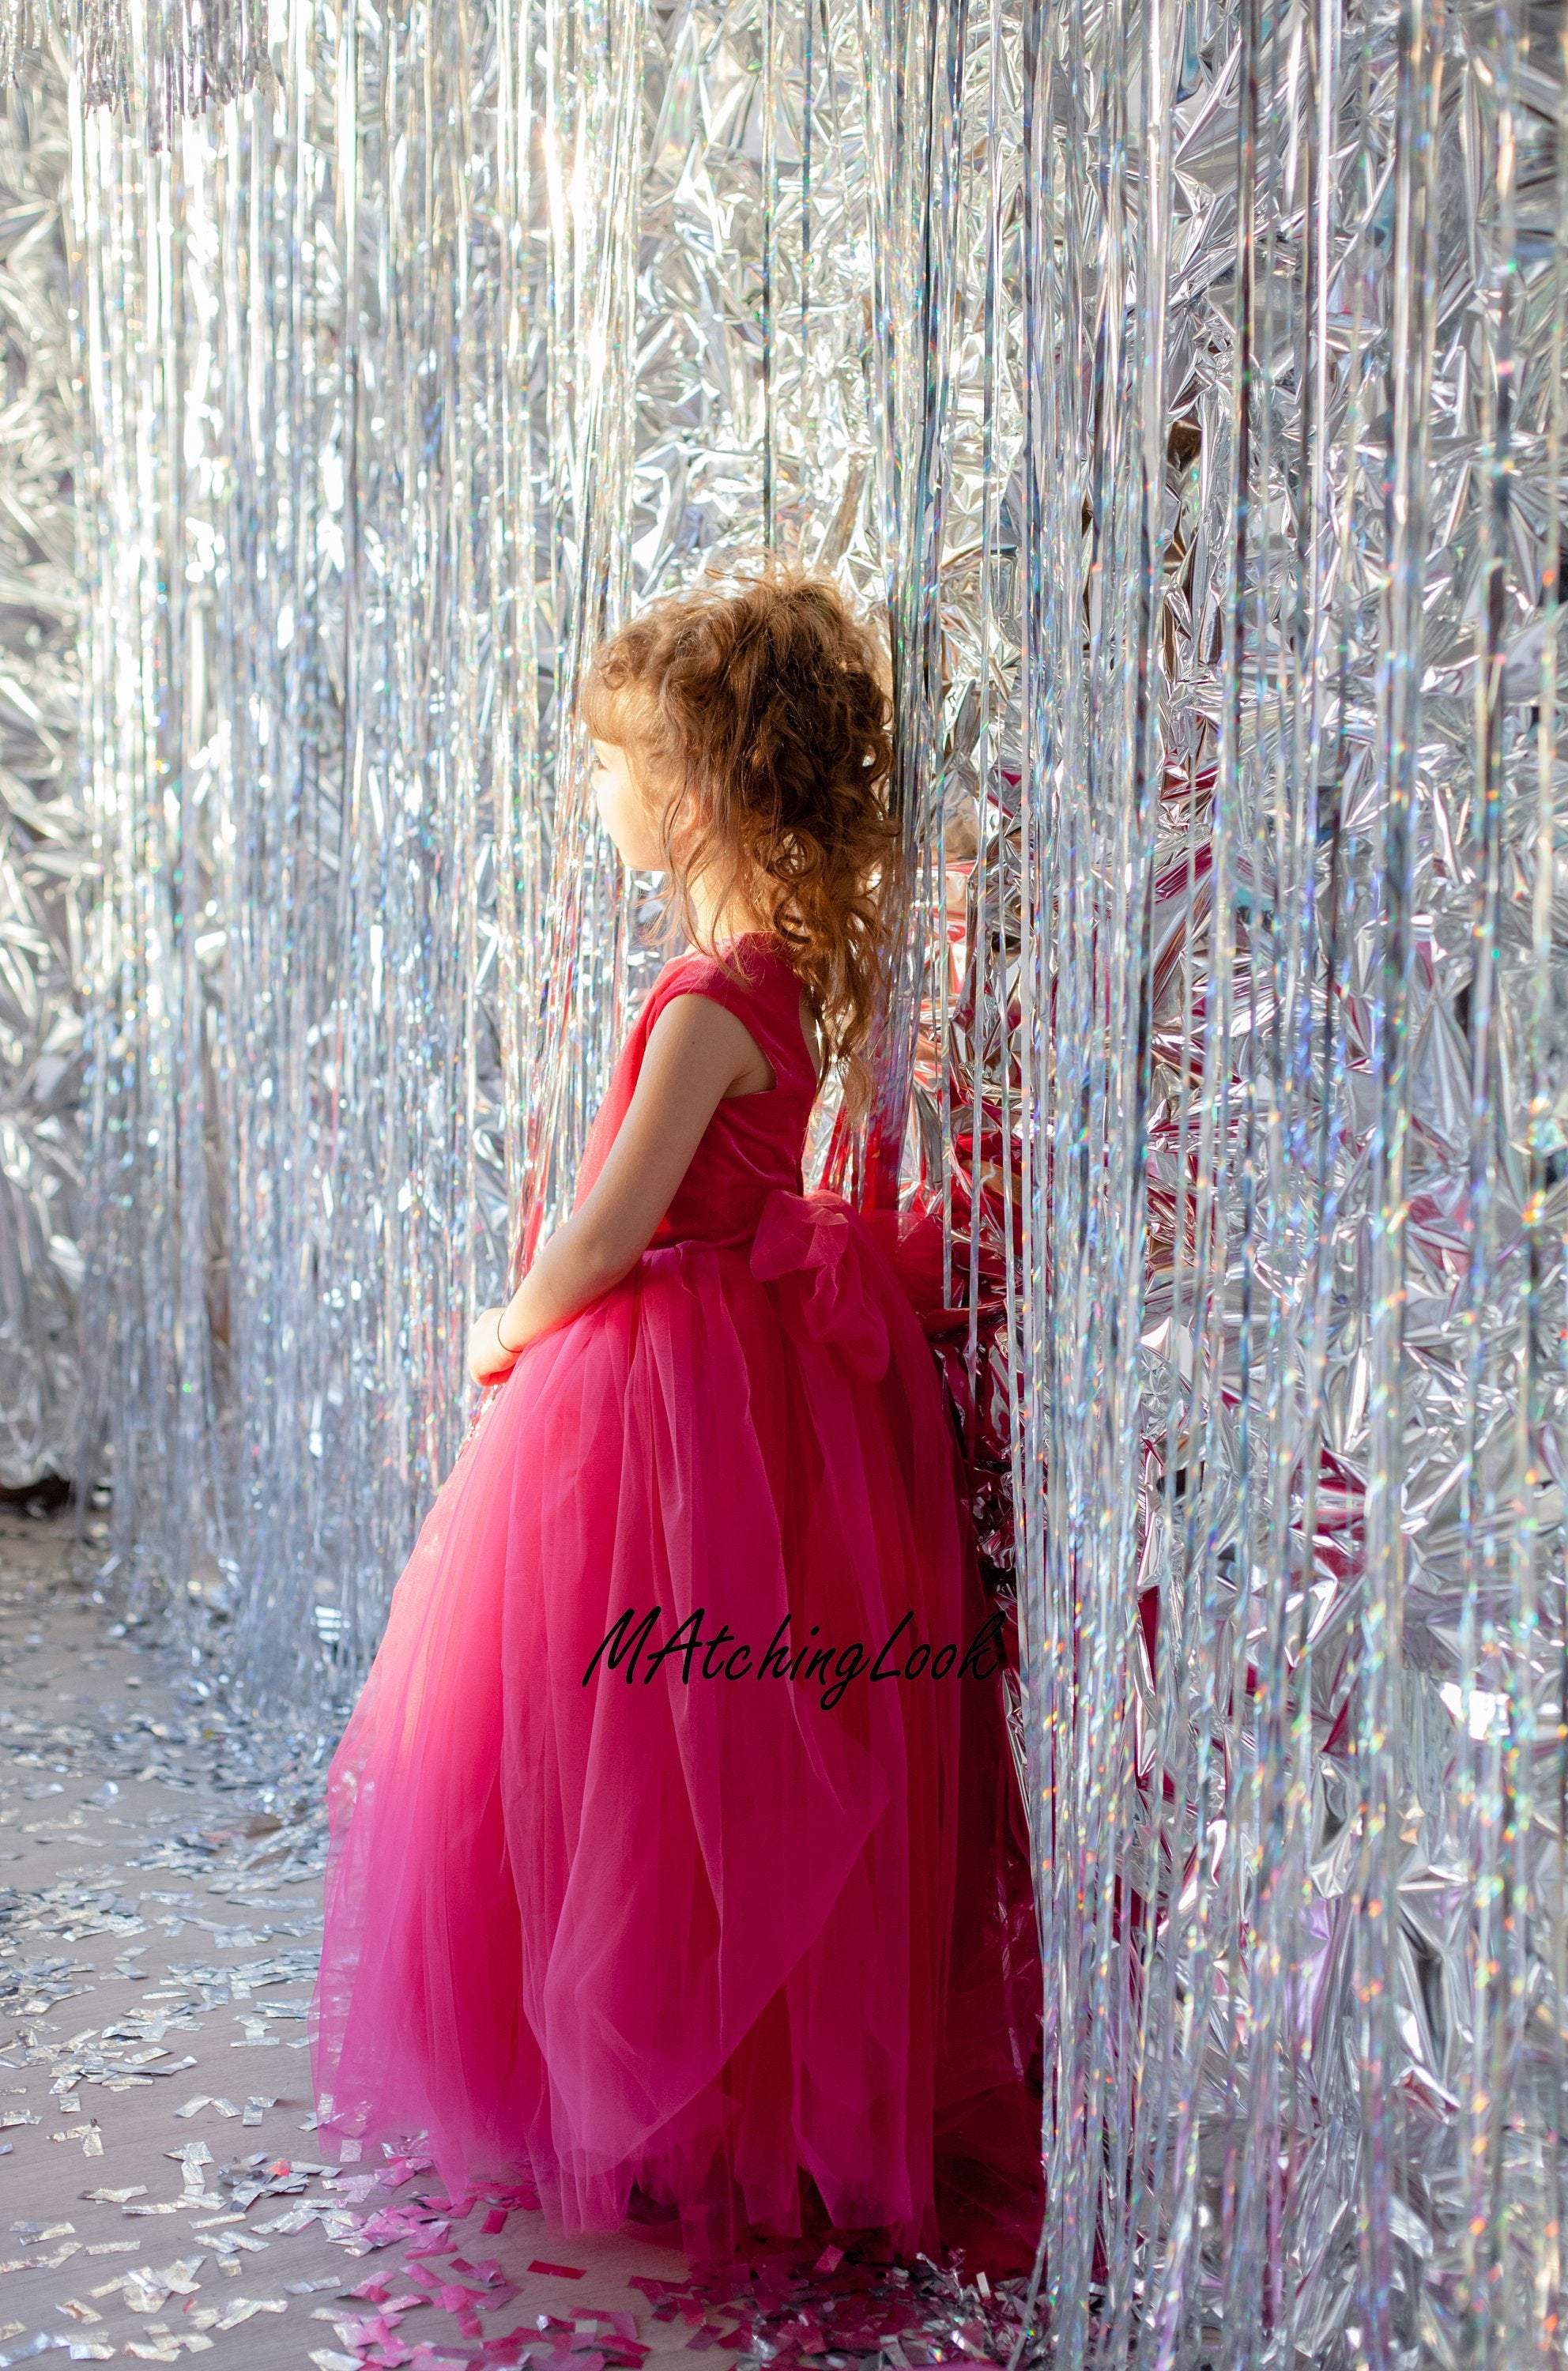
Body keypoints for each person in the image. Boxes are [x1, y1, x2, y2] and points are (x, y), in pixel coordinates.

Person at [308, 558, 1045, 2276]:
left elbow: (607, 1226)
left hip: (663, 1405)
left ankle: (670, 2098)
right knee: (701, 1754)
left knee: (646, 1753)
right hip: (745, 1393)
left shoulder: (712, 1003)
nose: (597, 792)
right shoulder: (774, 981)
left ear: (696, 789)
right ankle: (730, 2094)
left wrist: (507, 1326)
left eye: (613, 762)